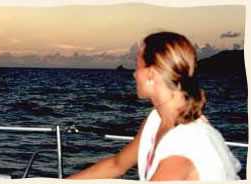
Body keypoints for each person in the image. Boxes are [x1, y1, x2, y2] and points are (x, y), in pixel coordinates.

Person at [66, 32, 241, 181]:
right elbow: (117, 165)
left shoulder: (185, 142)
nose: (134, 74)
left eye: (137, 66)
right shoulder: (156, 119)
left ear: (151, 74)